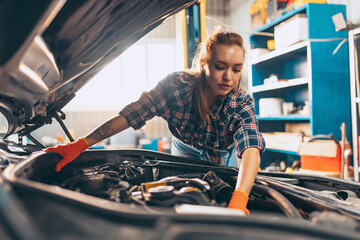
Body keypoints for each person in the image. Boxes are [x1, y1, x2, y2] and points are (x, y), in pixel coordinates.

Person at [45, 29, 266, 215]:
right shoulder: (176, 87)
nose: (229, 77)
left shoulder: (240, 100)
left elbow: (250, 147)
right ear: (204, 62)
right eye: (220, 66)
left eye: (236, 69)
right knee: (182, 196)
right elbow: (133, 114)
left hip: (221, 154)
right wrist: (82, 143)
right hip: (184, 148)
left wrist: (240, 196)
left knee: (218, 199)